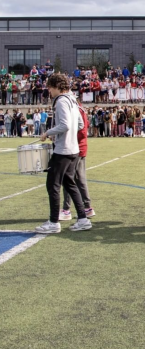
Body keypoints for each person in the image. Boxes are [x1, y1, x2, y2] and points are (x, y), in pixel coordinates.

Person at [35, 74, 92, 234]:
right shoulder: (73, 101)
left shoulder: (61, 101)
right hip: (74, 150)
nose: (49, 91)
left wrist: (49, 132)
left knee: (52, 184)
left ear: (58, 87)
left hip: (63, 150)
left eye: (50, 87)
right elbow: (80, 124)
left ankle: (53, 222)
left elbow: (65, 125)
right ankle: (83, 219)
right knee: (70, 184)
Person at [59, 100, 96, 221]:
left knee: (69, 178)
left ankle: (66, 209)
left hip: (76, 147)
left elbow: (81, 130)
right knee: (79, 178)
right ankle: (87, 207)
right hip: (80, 146)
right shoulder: (79, 109)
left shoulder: (75, 110)